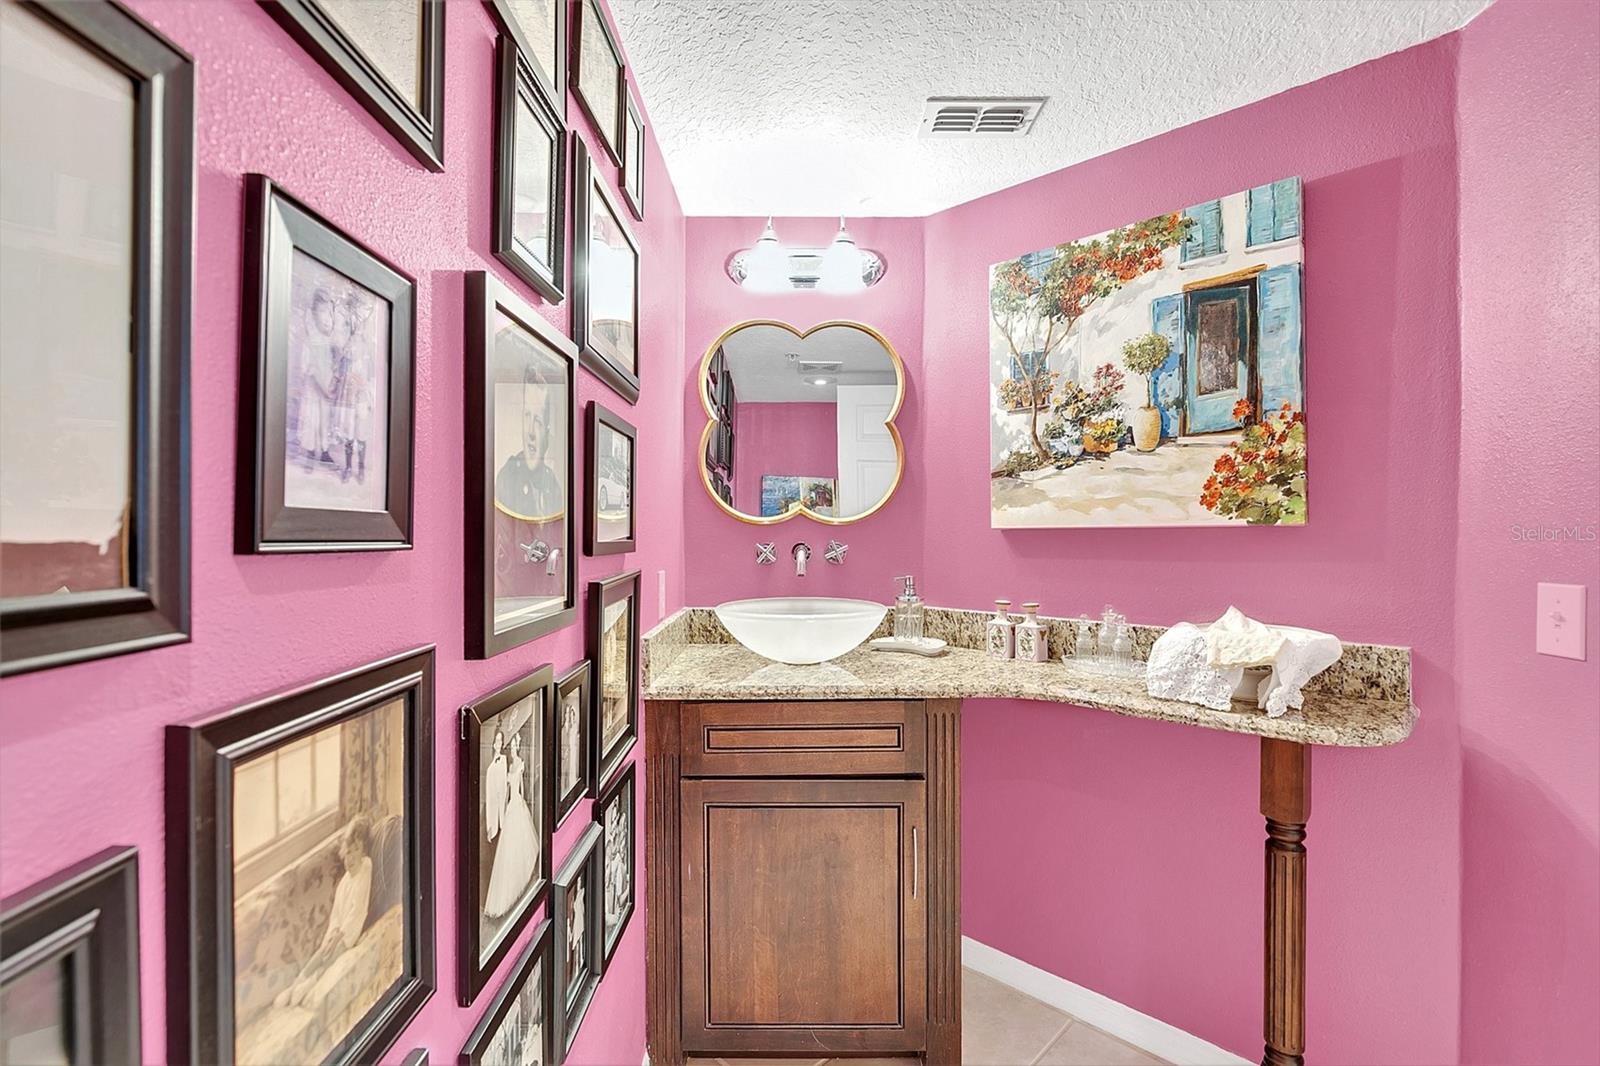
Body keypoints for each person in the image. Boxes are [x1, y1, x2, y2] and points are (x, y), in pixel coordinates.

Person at [275, 817, 373, 1008]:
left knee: (334, 954)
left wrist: (339, 936)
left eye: (356, 851)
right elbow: (336, 913)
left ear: (364, 852)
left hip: (350, 932)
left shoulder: (365, 868)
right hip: (338, 931)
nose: (350, 859)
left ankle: (310, 984)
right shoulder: (344, 882)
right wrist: (332, 933)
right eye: (348, 852)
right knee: (321, 953)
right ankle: (294, 985)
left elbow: (356, 910)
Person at [484, 731, 538, 919]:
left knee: (517, 846)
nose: (513, 748)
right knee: (508, 850)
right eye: (512, 745)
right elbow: (502, 791)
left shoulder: (519, 763)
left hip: (516, 804)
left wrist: (519, 801)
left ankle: (520, 879)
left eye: (515, 745)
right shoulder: (504, 764)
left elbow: (520, 787)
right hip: (509, 807)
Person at [495, 370, 561, 518]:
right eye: (527, 416)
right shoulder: (507, 478)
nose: (530, 431)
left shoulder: (553, 486)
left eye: (538, 421)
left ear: (547, 433)